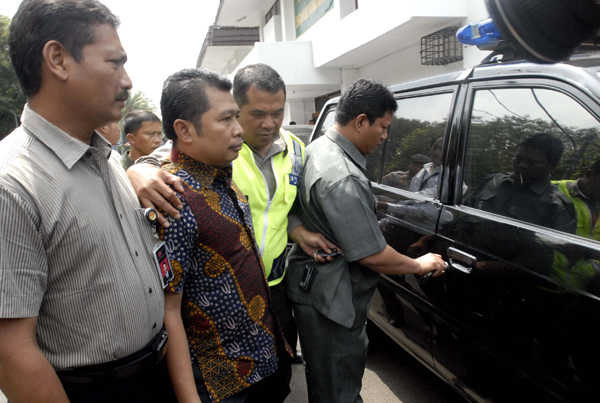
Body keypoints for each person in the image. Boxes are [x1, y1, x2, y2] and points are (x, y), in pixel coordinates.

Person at [0, 1, 176, 402]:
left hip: (153, 373)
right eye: (114, 62)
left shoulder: (108, 160)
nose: (127, 81)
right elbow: (10, 351)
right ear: (58, 59)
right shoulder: (12, 184)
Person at [128, 64, 336, 362]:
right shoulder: (216, 150)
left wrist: (299, 232)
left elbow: (278, 209)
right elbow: (166, 158)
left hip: (273, 288)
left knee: (279, 374)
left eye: (277, 112)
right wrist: (138, 171)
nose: (270, 123)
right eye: (257, 114)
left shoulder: (297, 151)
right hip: (221, 299)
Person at [285, 78, 446, 403]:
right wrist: (419, 264)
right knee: (339, 394)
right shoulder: (343, 176)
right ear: (360, 121)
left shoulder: (316, 149)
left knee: (325, 387)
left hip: (313, 288)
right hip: (333, 302)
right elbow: (372, 255)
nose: (385, 136)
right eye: (383, 127)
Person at [158, 68, 292, 403]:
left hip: (264, 362)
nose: (238, 130)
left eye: (237, 117)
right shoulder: (174, 198)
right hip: (223, 384)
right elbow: (167, 311)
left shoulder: (222, 176)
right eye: (226, 120)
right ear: (184, 130)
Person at [466, 132, 576, 233]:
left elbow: (557, 249)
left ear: (553, 166)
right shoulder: (493, 181)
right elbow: (463, 214)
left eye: (531, 162)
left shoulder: (556, 206)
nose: (522, 165)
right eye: (518, 158)